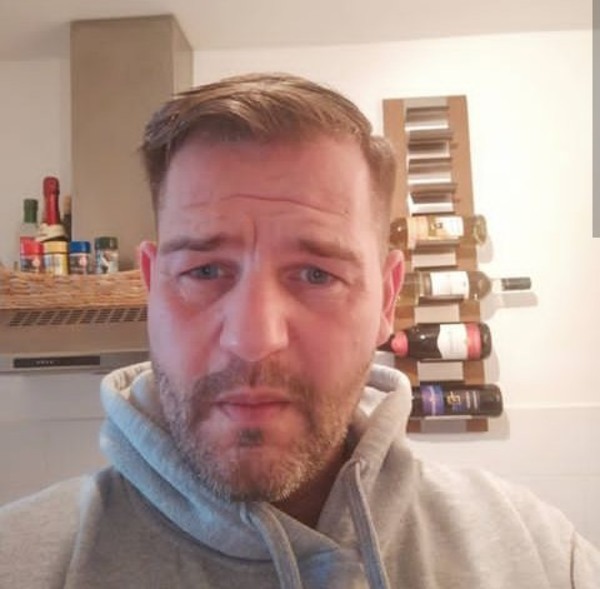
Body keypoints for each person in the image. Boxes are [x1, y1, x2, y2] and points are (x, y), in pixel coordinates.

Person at [0, 73, 598, 588]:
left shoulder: (541, 558)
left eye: (316, 274)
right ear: (153, 286)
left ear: (387, 297)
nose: (253, 338)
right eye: (204, 271)